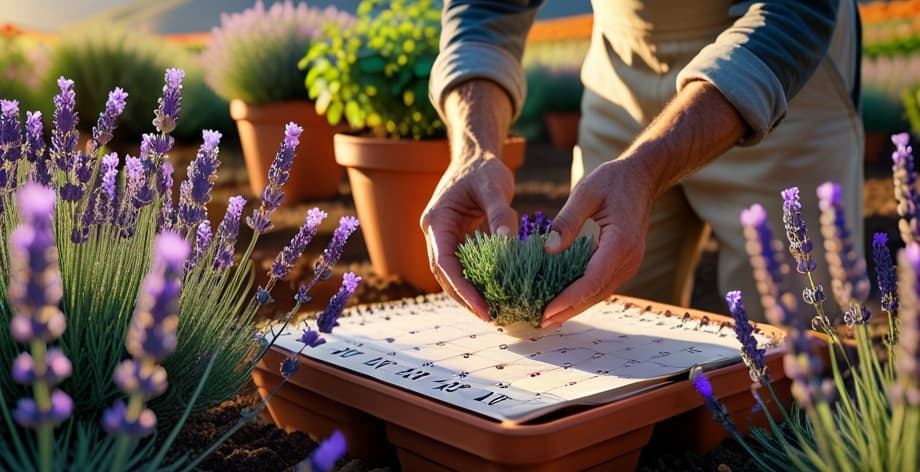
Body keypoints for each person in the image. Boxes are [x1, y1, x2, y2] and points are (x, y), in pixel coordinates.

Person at [422, 0, 864, 325]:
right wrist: (473, 150)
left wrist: (646, 167)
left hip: (772, 64)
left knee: (792, 342)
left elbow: (797, 12)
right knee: (598, 325)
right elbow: (486, 9)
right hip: (621, 64)